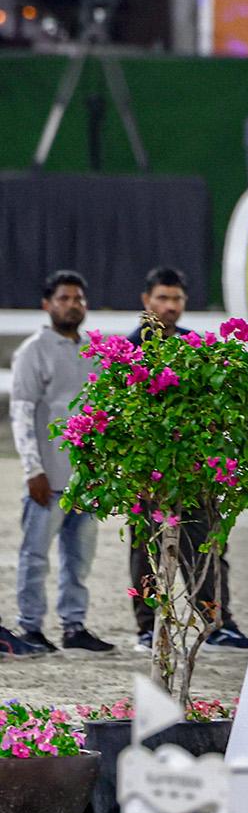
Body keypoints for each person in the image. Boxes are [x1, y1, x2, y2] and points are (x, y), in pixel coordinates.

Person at [126, 266, 248, 652]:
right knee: (146, 551)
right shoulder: (128, 349)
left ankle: (216, 624)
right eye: (162, 298)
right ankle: (147, 628)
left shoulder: (194, 347)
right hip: (147, 472)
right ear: (146, 300)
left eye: (176, 299)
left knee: (206, 545)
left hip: (193, 472)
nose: (170, 306)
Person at [8, 269, 112, 653]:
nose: (73, 305)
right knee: (35, 556)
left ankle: (74, 626)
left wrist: (102, 471)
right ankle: (30, 628)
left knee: (79, 560)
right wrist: (33, 470)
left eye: (78, 298)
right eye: (64, 298)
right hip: (48, 478)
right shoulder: (33, 351)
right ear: (47, 305)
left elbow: (103, 415)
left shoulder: (94, 352)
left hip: (85, 480)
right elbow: (21, 413)